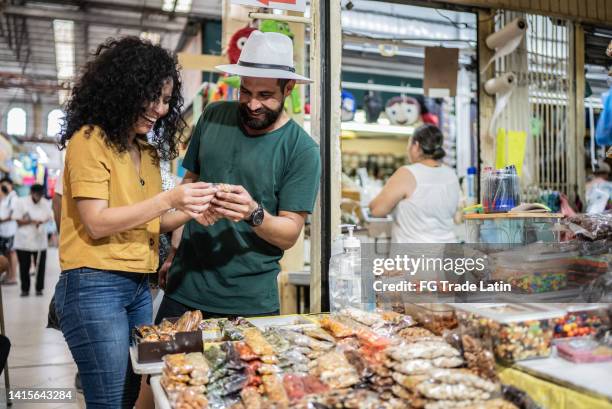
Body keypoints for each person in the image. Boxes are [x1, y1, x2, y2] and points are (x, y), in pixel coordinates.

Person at [53, 37, 217, 408]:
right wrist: (169, 198)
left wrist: (191, 210)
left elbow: (148, 222)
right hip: (94, 285)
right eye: (152, 98)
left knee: (133, 394)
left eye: (165, 101)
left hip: (139, 288)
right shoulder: (90, 140)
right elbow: (96, 223)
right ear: (125, 89)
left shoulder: (144, 150)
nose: (160, 110)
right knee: (109, 400)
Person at [156, 31, 321, 320]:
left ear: (289, 88)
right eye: (246, 91)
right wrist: (173, 252)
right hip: (184, 287)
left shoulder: (302, 150)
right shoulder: (213, 115)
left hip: (250, 302)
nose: (253, 104)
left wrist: (253, 212)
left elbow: (289, 233)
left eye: (265, 95)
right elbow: (189, 187)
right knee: (160, 366)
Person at [369, 124, 460, 243]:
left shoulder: (407, 173)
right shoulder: (451, 175)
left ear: (416, 146)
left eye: (409, 144)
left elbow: (376, 209)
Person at [12, 184, 53, 296]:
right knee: (24, 266)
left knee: (40, 266)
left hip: (39, 239)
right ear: (31, 192)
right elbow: (17, 220)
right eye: (36, 194)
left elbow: (49, 217)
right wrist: (31, 221)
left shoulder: (45, 203)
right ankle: (25, 289)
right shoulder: (21, 202)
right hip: (23, 239)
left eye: (40, 195)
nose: (38, 197)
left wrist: (42, 221)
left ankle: (39, 288)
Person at [0, 177, 18, 285]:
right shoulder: (5, 197)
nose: (4, 187)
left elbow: (13, 214)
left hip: (11, 229)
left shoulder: (13, 197)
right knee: (6, 253)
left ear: (11, 185)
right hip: (4, 230)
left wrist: (2, 220)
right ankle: (8, 275)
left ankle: (13, 276)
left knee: (11, 252)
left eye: (6, 185)